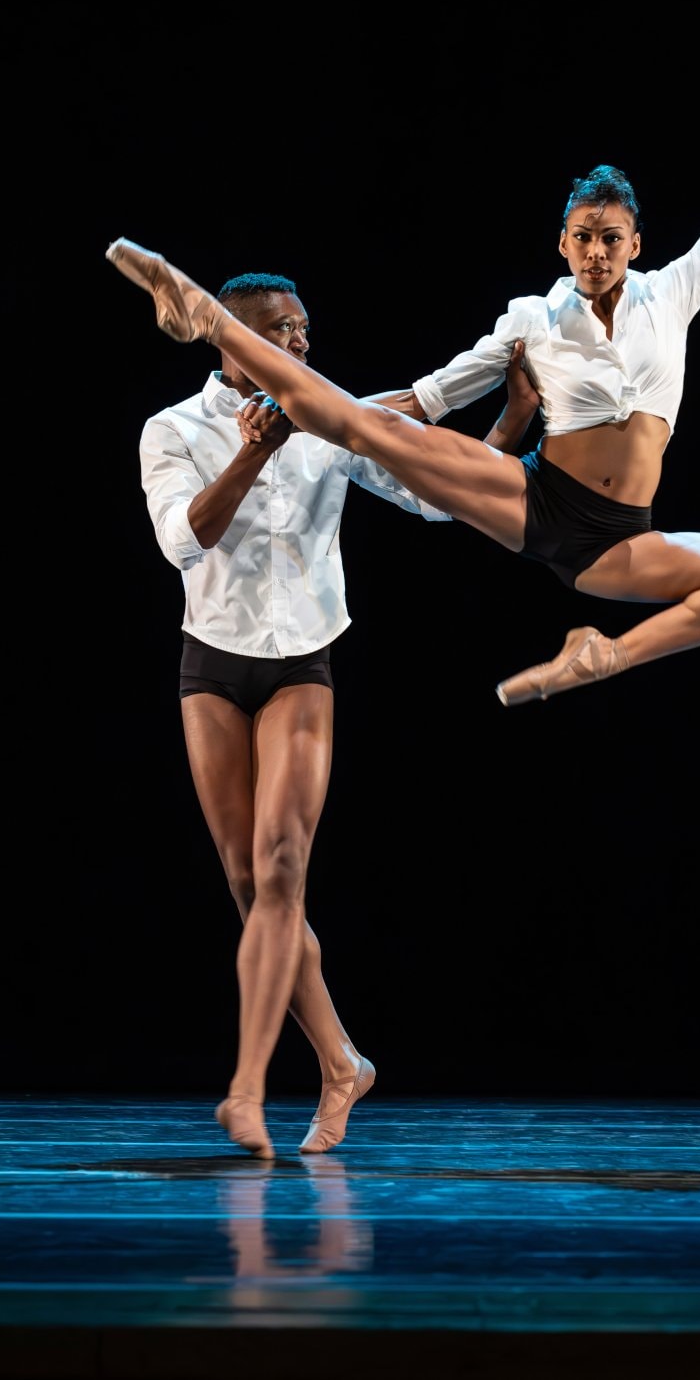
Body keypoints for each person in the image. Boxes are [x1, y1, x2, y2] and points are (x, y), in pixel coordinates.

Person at [109, 108, 700, 712]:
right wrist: (316, 417)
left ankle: (603, 655)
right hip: (534, 498)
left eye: (611, 238)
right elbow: (422, 400)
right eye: (582, 238)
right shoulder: (531, 318)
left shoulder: (675, 292)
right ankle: (210, 318)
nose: (596, 253)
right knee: (376, 426)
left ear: (636, 242)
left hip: (619, 544)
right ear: (562, 244)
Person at [139, 270, 536, 1160]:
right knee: (248, 887)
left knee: (282, 869)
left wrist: (510, 422)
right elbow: (179, 540)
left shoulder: (331, 414)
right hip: (212, 665)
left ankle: (245, 1089)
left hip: (301, 666)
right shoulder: (172, 428)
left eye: (305, 329)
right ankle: (341, 1060)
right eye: (281, 331)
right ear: (230, 339)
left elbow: (434, 498)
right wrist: (253, 453)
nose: (302, 345)